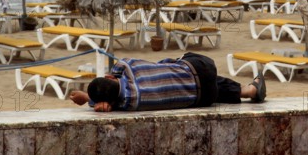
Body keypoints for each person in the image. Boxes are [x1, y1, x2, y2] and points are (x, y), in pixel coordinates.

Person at [70, 52, 266, 112]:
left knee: (191, 84)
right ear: (110, 78)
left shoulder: (129, 104)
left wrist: (90, 99)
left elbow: (111, 102)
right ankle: (248, 89)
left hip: (204, 98)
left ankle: (248, 90)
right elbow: (118, 72)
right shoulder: (126, 66)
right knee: (175, 66)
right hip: (203, 67)